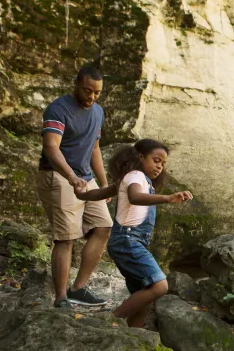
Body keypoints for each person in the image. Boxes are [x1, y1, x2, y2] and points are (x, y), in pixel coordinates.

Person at [75, 139, 193, 327]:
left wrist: (82, 195)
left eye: (163, 163)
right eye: (156, 160)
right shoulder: (136, 176)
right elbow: (135, 197)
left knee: (145, 297)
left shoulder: (135, 180)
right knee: (160, 286)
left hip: (130, 241)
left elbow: (103, 192)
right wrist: (167, 198)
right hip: (128, 240)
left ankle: (132, 334)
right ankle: (109, 321)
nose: (160, 166)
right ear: (140, 156)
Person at [36, 65, 113, 310]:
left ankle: (78, 289)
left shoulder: (98, 112)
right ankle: (61, 299)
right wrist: (70, 177)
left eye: (97, 93)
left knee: (104, 227)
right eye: (87, 90)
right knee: (66, 238)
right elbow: (51, 147)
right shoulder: (58, 109)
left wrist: (103, 183)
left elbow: (94, 148)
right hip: (58, 176)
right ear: (76, 83)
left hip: (85, 178)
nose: (91, 97)